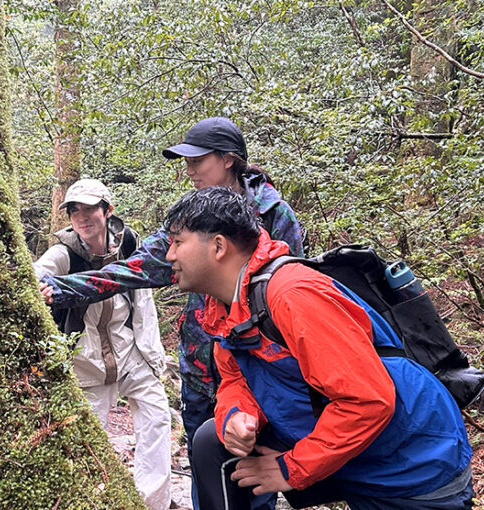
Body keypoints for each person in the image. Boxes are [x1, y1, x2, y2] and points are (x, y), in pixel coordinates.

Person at [39, 117, 303, 509]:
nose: (189, 170)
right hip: (200, 364)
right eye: (186, 161)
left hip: (256, 367)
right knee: (205, 467)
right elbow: (136, 269)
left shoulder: (274, 215)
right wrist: (59, 289)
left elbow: (289, 294)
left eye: (198, 160)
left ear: (229, 159)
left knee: (252, 471)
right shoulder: (192, 214)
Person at [163, 186, 473, 510]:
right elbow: (236, 379)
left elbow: (369, 400)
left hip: (411, 464)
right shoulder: (226, 309)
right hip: (348, 454)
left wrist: (292, 468)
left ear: (218, 246)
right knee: (214, 441)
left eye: (178, 242)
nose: (170, 255)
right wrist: (237, 416)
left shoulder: (292, 294)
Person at [33, 179, 172, 510]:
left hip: (131, 354)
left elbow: (144, 300)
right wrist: (42, 290)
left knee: (157, 420)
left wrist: (153, 356)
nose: (82, 217)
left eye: (89, 208)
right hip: (87, 363)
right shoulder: (64, 254)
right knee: (89, 442)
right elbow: (33, 277)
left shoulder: (129, 243)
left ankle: (151, 503)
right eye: (74, 211)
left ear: (108, 211)